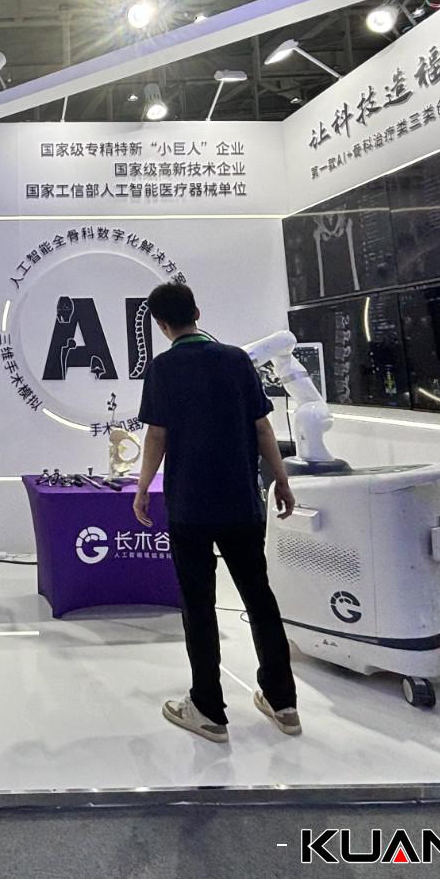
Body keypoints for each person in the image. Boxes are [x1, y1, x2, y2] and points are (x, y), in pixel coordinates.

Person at [134, 282, 301, 745]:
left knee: (199, 605)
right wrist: (281, 479)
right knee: (259, 597)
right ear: (197, 312)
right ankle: (284, 703)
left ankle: (208, 710)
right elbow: (263, 428)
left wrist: (143, 487)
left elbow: (157, 437)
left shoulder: (163, 368)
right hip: (241, 502)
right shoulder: (237, 360)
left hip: (189, 505)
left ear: (161, 326)